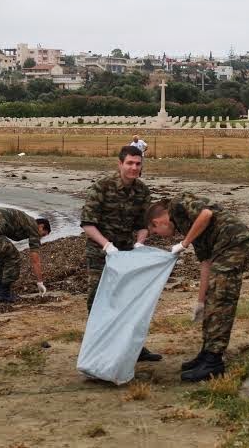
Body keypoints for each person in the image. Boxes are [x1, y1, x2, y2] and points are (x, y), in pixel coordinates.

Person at [145, 192, 249, 382]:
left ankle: (214, 363)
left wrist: (183, 244)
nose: (159, 237)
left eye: (155, 233)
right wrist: (200, 301)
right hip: (220, 249)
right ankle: (206, 353)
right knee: (212, 299)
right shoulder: (187, 226)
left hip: (234, 242)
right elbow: (205, 262)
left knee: (221, 299)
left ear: (157, 222)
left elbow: (206, 214)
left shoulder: (178, 204)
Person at [80, 145, 161, 362]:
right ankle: (99, 347)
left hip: (126, 253)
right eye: (130, 163)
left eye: (138, 164)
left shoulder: (142, 191)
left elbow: (143, 224)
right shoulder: (102, 187)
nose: (134, 168)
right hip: (100, 252)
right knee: (97, 299)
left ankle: (134, 347)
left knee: (130, 299)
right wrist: (106, 245)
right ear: (120, 164)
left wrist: (140, 243)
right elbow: (87, 224)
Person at [0, 208, 51, 302]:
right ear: (41, 226)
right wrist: (40, 282)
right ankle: (4, 293)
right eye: (43, 234)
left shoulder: (25, 221)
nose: (40, 238)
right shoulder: (33, 227)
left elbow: (2, 226)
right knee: (14, 257)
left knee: (0, 260)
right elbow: (35, 259)